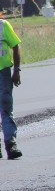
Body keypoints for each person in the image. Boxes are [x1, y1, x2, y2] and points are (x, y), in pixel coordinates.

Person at [0, 14, 22, 160]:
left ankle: (11, 144)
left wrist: (17, 70)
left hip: (4, 73)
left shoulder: (3, 25)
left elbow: (15, 46)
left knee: (6, 108)